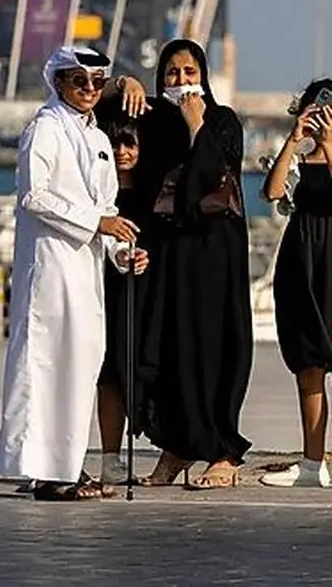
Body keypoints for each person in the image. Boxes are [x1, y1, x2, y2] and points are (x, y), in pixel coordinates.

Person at [0, 46, 146, 501]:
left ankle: (68, 466)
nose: (90, 91)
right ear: (59, 82)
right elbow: (34, 197)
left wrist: (123, 251)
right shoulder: (44, 129)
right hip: (50, 269)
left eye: (98, 83)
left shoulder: (99, 138)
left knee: (82, 367)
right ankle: (44, 471)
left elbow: (107, 210)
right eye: (81, 82)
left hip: (87, 272)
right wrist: (97, 223)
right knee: (46, 365)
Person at [131, 38, 253, 490]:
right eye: (171, 74)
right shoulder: (155, 124)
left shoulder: (221, 121)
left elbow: (209, 177)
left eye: (189, 73)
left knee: (214, 344)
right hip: (169, 252)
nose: (181, 82)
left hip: (214, 253)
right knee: (170, 343)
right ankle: (177, 445)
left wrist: (198, 125)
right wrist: (124, 83)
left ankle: (223, 450)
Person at [261, 80, 332, 488]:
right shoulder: (300, 155)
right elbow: (271, 191)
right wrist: (295, 139)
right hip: (302, 257)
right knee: (309, 362)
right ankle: (311, 463)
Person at [93, 107, 151, 487]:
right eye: (114, 144)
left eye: (129, 143)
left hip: (144, 288)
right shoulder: (96, 192)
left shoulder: (152, 190)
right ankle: (110, 457)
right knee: (107, 372)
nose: (122, 152)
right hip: (102, 286)